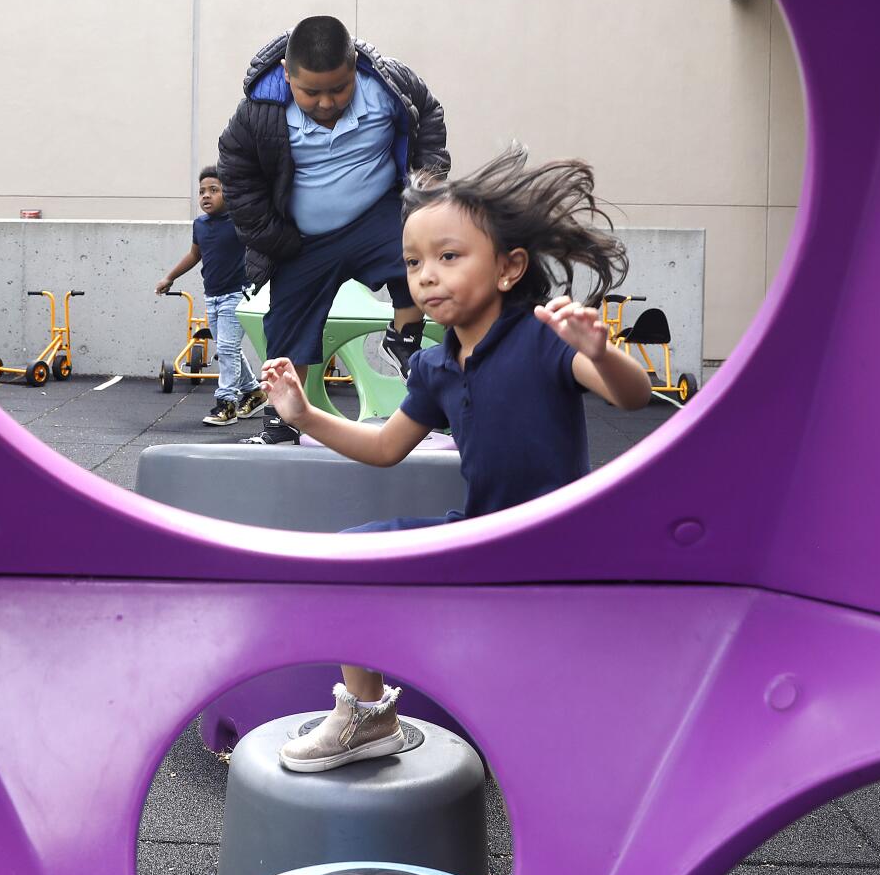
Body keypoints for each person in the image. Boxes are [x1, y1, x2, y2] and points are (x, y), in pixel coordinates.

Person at [259, 146, 657, 772]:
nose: (426, 276)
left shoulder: (541, 338)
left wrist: (601, 353)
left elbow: (632, 397)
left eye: (448, 257)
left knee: (551, 719)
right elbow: (385, 447)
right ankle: (369, 717)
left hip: (558, 547)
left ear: (508, 268)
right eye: (414, 262)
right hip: (481, 536)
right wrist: (306, 414)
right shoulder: (438, 364)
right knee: (345, 557)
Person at [218, 15, 449, 444]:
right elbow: (236, 172)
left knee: (422, 257)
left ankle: (404, 339)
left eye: (338, 89)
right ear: (287, 75)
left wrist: (428, 186)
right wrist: (272, 238)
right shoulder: (259, 113)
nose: (326, 102)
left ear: (354, 66)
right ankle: (282, 420)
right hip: (304, 241)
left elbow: (429, 115)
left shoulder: (388, 87)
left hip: (376, 217)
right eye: (311, 92)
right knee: (287, 325)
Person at [156, 167, 267, 426]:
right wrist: (169, 277)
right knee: (228, 349)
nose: (206, 196)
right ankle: (254, 392)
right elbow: (195, 255)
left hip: (238, 294)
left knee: (227, 348)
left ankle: (226, 403)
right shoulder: (201, 225)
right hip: (213, 296)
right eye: (202, 192)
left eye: (214, 190)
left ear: (228, 193)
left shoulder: (240, 221)